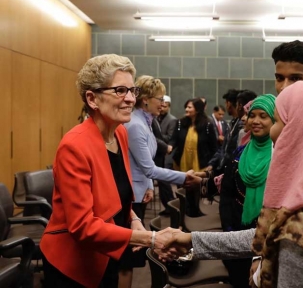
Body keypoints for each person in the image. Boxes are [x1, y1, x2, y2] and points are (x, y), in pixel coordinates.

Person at [161, 81, 303, 288]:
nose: (273, 131)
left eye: (276, 121)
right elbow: (268, 234)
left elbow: (286, 236)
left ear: (301, 131)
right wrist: (192, 240)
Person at [39, 54, 173, 288]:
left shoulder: (119, 132)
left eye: (133, 90)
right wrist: (151, 238)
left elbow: (115, 194)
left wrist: (134, 218)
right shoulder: (75, 145)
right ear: (92, 98)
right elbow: (83, 227)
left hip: (107, 253)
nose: (131, 99)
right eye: (120, 90)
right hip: (73, 266)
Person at [124, 76, 200, 223]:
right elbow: (149, 169)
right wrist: (184, 177)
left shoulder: (146, 122)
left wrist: (150, 186)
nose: (163, 103)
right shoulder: (136, 125)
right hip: (133, 195)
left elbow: (147, 162)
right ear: (145, 99)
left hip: (142, 192)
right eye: (160, 99)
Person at [219, 94, 276, 288]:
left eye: (263, 116)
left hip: (269, 239)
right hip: (237, 233)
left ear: (275, 120)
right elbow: (227, 195)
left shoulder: (281, 157)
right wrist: (228, 231)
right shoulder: (240, 153)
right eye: (252, 116)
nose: (256, 121)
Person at [169, 97, 218, 216]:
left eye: (190, 107)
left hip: (200, 163)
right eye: (186, 106)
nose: (186, 109)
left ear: (197, 109)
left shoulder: (207, 125)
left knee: (195, 188)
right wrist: (170, 146)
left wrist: (211, 164)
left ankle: (194, 213)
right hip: (182, 162)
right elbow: (174, 139)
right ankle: (184, 213)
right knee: (183, 188)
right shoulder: (180, 122)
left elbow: (214, 147)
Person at [154, 95, 178, 215]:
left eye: (165, 106)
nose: (162, 108)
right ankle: (169, 206)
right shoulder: (157, 118)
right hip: (159, 152)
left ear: (169, 107)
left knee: (165, 181)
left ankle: (171, 205)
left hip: (167, 153)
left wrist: (156, 136)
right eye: (161, 106)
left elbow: (170, 137)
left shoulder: (172, 120)